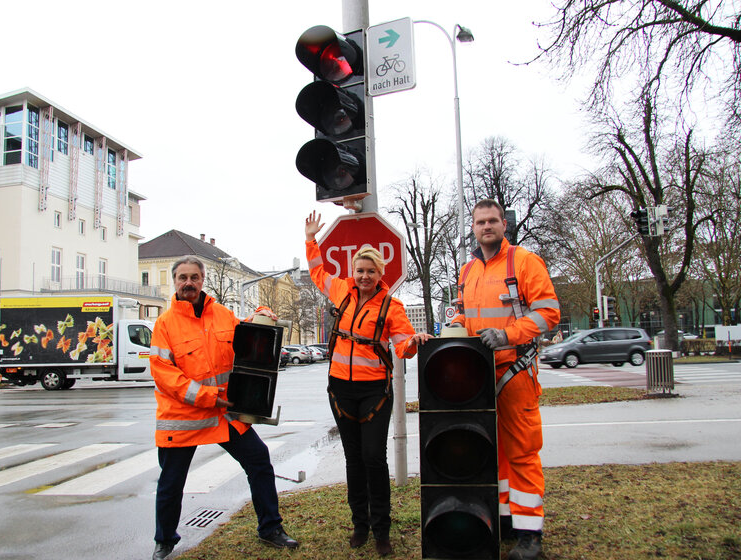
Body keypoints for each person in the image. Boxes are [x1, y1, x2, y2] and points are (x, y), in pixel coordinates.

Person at [149, 255, 299, 560]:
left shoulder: (222, 314)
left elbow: (247, 340)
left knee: (259, 461)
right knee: (171, 483)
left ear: (202, 280)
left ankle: (271, 529)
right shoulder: (165, 324)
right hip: (184, 418)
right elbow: (164, 375)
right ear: (175, 281)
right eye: (182, 278)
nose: (188, 283)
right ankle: (164, 542)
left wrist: (263, 316)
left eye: (194, 277)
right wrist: (206, 396)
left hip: (223, 413)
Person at [304, 211, 433, 557]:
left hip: (375, 392)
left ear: (380, 275)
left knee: (374, 458)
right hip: (340, 391)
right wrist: (311, 239)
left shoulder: (392, 307)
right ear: (353, 272)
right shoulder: (340, 293)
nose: (364, 276)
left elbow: (403, 344)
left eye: (370, 271)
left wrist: (415, 341)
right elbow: (317, 272)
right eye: (359, 270)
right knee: (353, 459)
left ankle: (382, 530)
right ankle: (359, 524)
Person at [451, 199, 560, 560]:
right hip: (479, 374)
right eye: (480, 221)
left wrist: (509, 335)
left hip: (514, 370)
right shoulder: (468, 271)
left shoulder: (524, 262)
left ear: (504, 225)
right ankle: (506, 519)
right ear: (473, 227)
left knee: (522, 451)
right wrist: (453, 330)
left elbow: (548, 313)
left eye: (493, 221)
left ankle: (531, 535)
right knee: (492, 451)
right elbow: (465, 316)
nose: (486, 227)